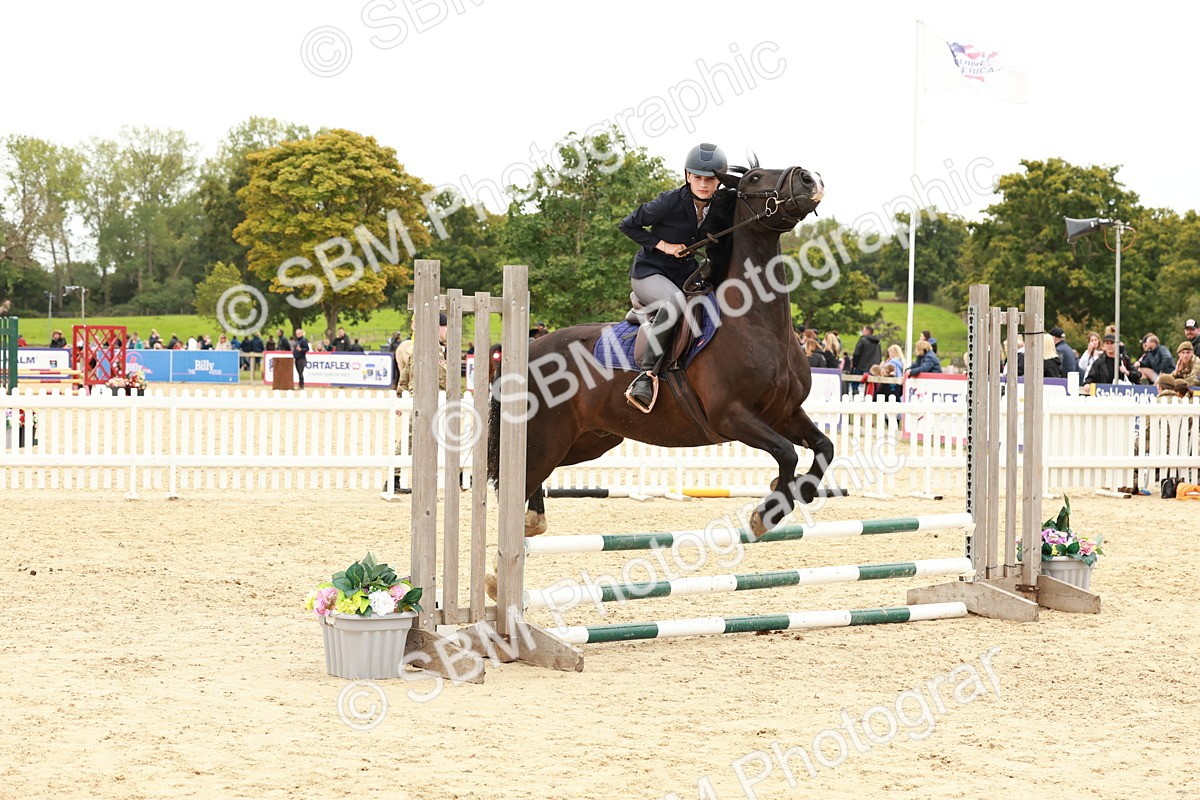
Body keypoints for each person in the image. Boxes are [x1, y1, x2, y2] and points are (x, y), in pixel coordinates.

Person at [618, 142, 726, 408]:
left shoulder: (721, 207)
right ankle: (646, 375)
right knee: (674, 302)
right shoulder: (669, 201)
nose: (703, 184)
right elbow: (628, 224)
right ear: (688, 176)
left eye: (710, 179)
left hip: (684, 276)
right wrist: (664, 246)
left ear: (718, 182)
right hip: (649, 273)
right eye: (698, 177)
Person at [849, 325, 883, 393]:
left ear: (867, 331)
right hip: (872, 368)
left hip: (861, 367)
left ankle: (856, 399)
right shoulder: (877, 343)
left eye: (863, 330)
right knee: (870, 386)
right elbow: (879, 355)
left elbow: (856, 353)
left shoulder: (863, 340)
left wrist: (854, 365)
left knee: (855, 384)